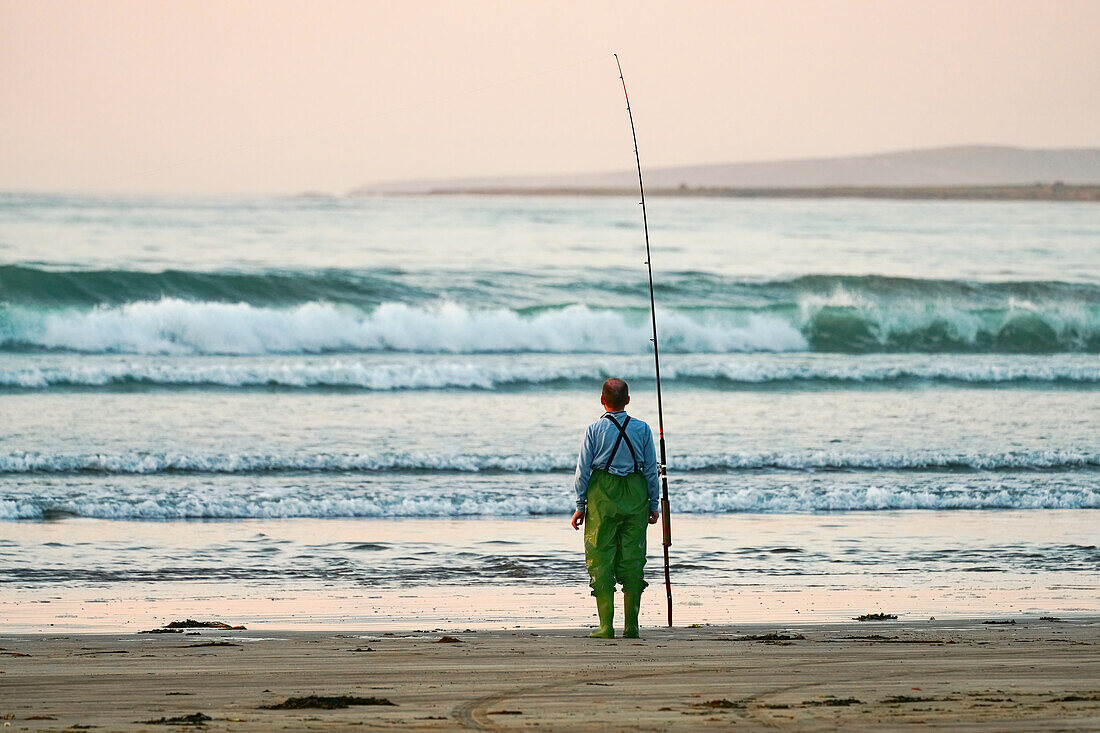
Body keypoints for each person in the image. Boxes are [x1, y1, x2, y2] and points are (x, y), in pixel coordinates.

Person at [571, 377, 660, 638]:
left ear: (602, 401)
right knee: (633, 558)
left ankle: (605, 626)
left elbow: (582, 472)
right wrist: (654, 504)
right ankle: (632, 626)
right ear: (628, 401)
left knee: (600, 555)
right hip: (635, 493)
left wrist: (580, 506)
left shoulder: (593, 430)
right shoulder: (643, 429)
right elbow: (651, 471)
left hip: (603, 496)